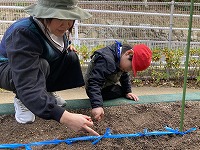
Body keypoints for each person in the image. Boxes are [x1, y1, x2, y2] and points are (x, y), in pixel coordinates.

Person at [0, 0, 99, 136]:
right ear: (45, 15)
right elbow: (26, 79)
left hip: (34, 68)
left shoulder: (55, 28)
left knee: (70, 57)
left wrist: (67, 46)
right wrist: (66, 118)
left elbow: (53, 45)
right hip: (9, 70)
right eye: (60, 18)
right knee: (42, 64)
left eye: (70, 18)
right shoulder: (24, 33)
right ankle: (22, 99)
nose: (66, 25)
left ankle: (44, 93)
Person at [84, 41, 152, 121]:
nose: (128, 70)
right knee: (118, 92)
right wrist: (97, 106)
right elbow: (94, 82)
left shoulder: (121, 57)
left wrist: (127, 91)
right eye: (130, 67)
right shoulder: (106, 60)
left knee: (122, 89)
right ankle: (98, 98)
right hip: (94, 87)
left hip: (106, 84)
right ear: (128, 53)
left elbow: (125, 76)